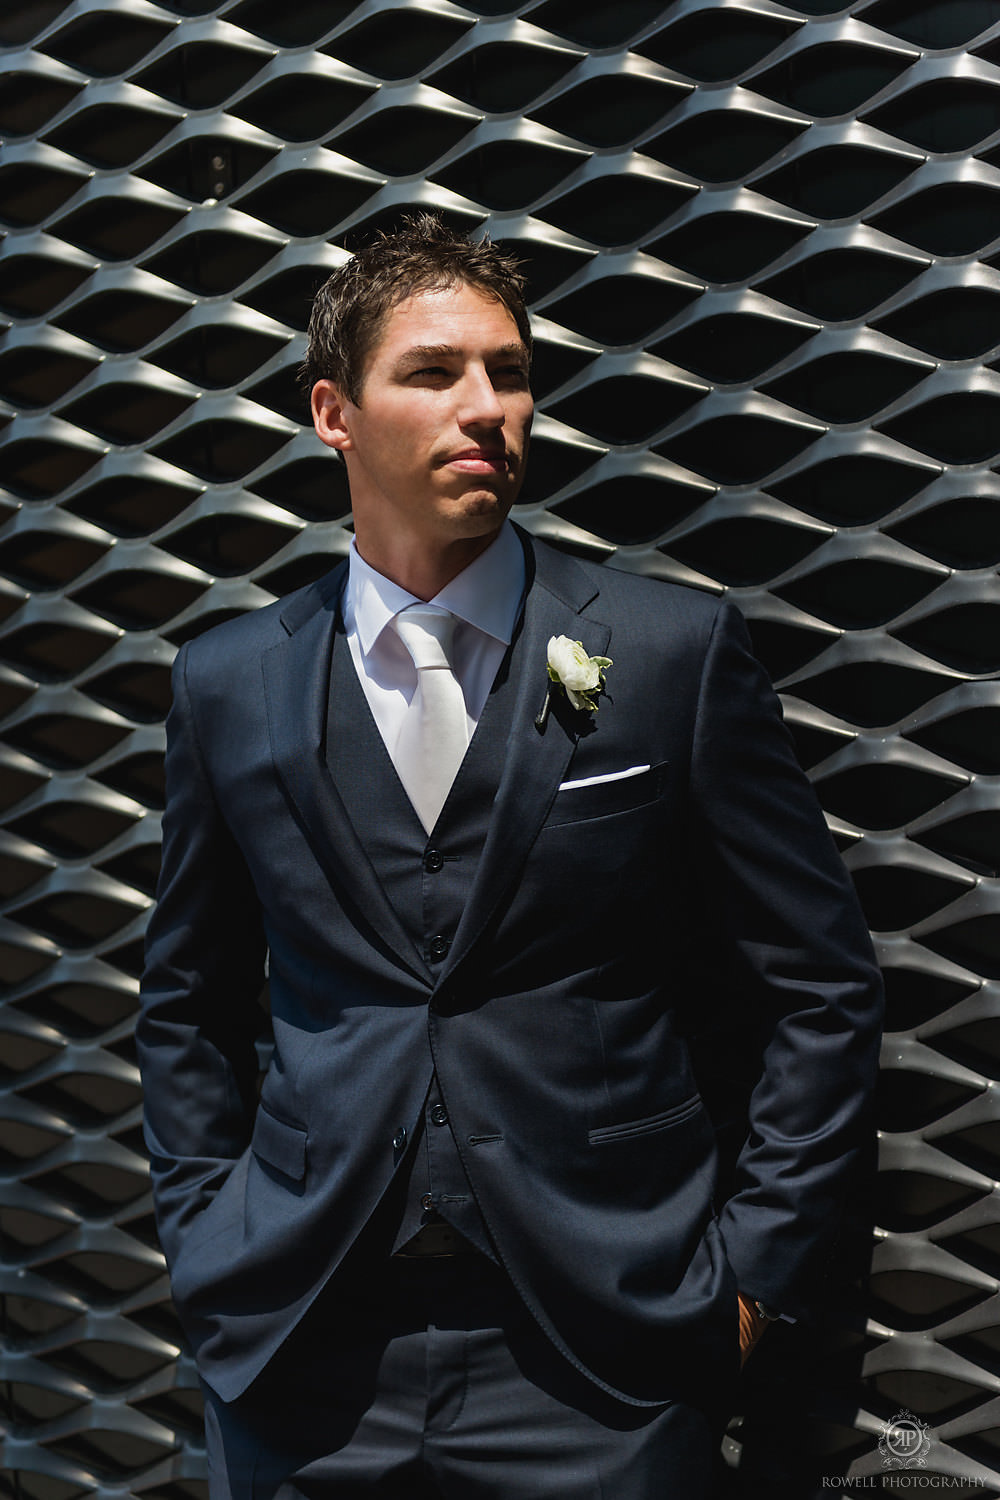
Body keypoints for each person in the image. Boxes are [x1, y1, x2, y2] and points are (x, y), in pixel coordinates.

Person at [137, 214, 884, 1499]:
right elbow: (188, 1001)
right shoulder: (227, 685)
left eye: (510, 371)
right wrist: (212, 1243)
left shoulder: (666, 654)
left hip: (606, 1352)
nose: (487, 406)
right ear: (335, 413)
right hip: (307, 1355)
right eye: (434, 373)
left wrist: (752, 1279)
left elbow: (821, 989)